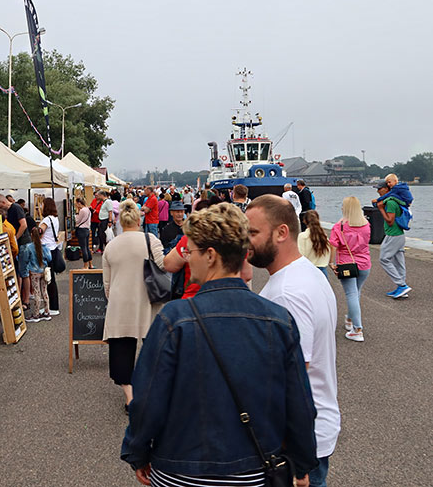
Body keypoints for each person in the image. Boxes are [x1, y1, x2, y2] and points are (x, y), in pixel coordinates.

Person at [121, 203, 317, 486]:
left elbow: (148, 399)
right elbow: (298, 402)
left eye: (193, 251)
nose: (188, 258)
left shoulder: (174, 319)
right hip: (254, 471)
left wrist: (137, 452)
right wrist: (302, 462)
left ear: (211, 256)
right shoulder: (277, 319)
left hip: (181, 469)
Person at [246, 194, 340, 487]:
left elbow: (291, 377)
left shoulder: (287, 292)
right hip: (314, 427)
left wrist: (295, 457)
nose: (246, 241)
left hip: (296, 439)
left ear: (282, 232)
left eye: (253, 233)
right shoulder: (307, 274)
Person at [102, 199, 165, 412]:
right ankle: (150, 390)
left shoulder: (111, 246)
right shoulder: (151, 240)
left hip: (120, 301)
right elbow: (164, 266)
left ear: (120, 220)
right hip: (148, 298)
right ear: (139, 219)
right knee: (152, 347)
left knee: (121, 349)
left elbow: (107, 285)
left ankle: (130, 397)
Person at [329, 197, 371, 342]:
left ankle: (357, 329)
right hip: (365, 263)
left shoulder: (339, 226)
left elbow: (333, 246)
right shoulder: (366, 225)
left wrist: (331, 263)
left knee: (351, 294)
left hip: (346, 264)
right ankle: (350, 319)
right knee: (356, 293)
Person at [0, 194, 31, 310]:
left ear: (3, 203)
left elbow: (23, 225)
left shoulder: (16, 208)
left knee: (23, 272)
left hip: (23, 243)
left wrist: (15, 238)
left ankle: (26, 301)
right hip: (18, 244)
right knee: (18, 272)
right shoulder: (8, 211)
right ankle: (18, 297)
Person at [375, 181, 412, 298]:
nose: (377, 191)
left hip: (393, 235)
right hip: (399, 234)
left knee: (384, 259)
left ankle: (401, 285)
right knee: (399, 261)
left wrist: (381, 209)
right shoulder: (395, 200)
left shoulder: (390, 202)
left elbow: (390, 221)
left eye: (379, 188)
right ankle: (402, 289)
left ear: (386, 189)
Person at [39, 197, 61, 316]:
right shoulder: (55, 218)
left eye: (42, 204)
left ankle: (52, 307)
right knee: (50, 279)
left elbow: (40, 231)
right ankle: (51, 306)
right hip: (53, 249)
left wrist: (35, 231)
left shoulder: (47, 219)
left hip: (46, 251)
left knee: (49, 279)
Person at [25, 227, 52, 322]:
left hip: (34, 272)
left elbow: (26, 259)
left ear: (32, 235)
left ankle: (36, 314)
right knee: (44, 291)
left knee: (37, 292)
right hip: (43, 271)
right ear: (42, 235)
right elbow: (49, 258)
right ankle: (47, 312)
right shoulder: (45, 247)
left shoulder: (29, 247)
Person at [298, 210, 331, 277]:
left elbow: (300, 255)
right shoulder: (324, 236)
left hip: (308, 270)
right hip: (322, 270)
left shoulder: (303, 236)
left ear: (304, 221)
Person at [75, 198, 93, 269]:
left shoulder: (82, 210)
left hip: (81, 230)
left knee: (83, 248)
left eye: (76, 203)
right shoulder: (88, 210)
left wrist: (76, 215)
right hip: (87, 229)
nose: (76, 205)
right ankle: (90, 264)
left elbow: (77, 221)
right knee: (87, 247)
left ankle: (85, 265)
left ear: (79, 203)